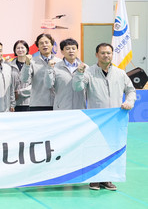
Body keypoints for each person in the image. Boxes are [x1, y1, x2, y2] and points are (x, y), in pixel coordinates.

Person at [74, 43, 136, 191]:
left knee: (112, 148)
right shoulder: (89, 72)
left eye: (108, 53)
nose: (106, 55)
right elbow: (77, 87)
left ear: (112, 54)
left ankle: (108, 178)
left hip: (115, 119)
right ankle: (94, 179)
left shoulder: (120, 73)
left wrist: (129, 102)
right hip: (96, 119)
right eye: (102, 53)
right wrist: (79, 74)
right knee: (95, 148)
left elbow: (131, 90)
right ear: (97, 55)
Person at [21, 34, 60, 111]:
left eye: (47, 42)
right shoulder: (32, 61)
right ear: (38, 47)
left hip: (57, 103)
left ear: (52, 45)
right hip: (38, 104)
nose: (44, 45)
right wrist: (27, 64)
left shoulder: (59, 62)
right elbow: (24, 79)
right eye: (41, 43)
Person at [50, 38, 87, 110]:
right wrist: (49, 70)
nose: (71, 51)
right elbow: (49, 85)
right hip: (61, 108)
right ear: (62, 51)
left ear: (77, 50)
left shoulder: (85, 68)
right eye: (67, 49)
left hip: (80, 108)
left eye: (73, 48)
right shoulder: (56, 67)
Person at [8, 40, 32, 112]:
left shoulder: (33, 64)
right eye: (18, 48)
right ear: (15, 50)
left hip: (29, 102)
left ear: (27, 49)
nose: (20, 50)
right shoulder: (9, 65)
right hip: (13, 103)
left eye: (22, 48)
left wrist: (20, 92)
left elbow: (36, 85)